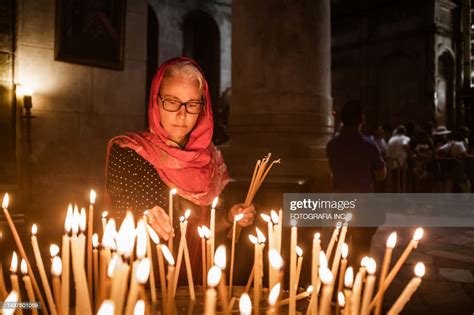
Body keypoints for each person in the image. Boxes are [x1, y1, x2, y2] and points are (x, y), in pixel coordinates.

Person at [105, 57, 255, 281]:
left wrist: (230, 218)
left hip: (199, 280)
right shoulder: (131, 151)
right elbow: (119, 218)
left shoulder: (210, 158)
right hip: (148, 280)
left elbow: (204, 229)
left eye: (192, 104)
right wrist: (143, 217)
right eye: (172, 101)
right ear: (156, 101)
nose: (182, 115)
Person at [326, 100, 387, 264]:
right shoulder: (369, 144)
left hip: (339, 202)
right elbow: (381, 174)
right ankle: (358, 285)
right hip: (364, 203)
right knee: (362, 250)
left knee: (339, 249)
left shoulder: (332, 145)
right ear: (361, 118)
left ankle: (337, 284)